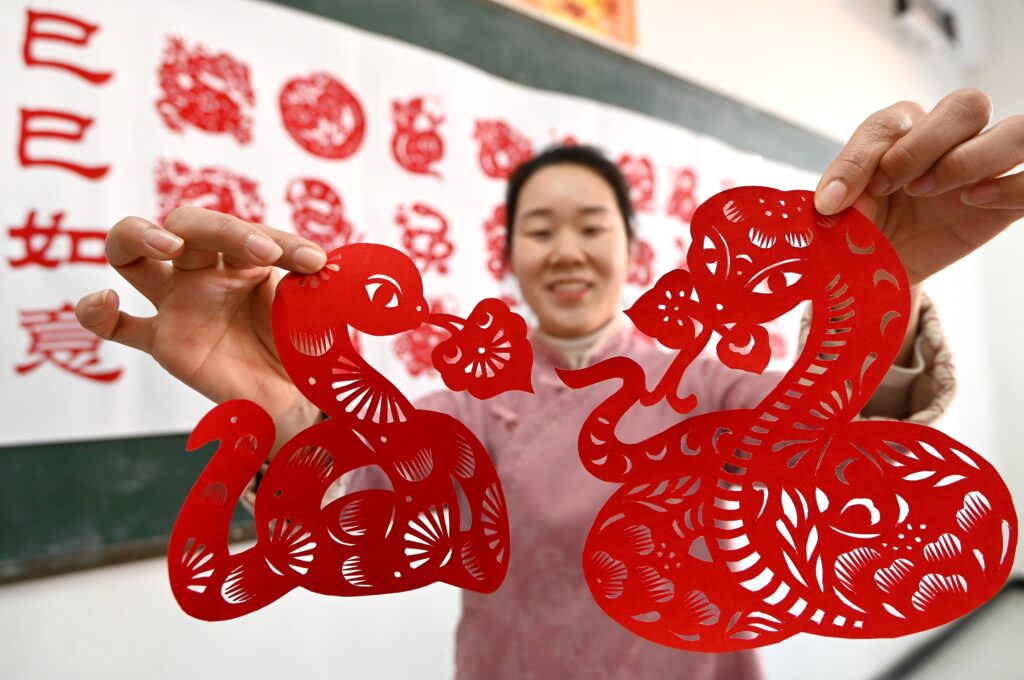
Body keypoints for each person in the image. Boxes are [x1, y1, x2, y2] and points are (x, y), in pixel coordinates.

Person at [76, 88, 1022, 679]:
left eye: (590, 225)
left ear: (629, 246)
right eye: (540, 228)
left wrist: (880, 288)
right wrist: (279, 404)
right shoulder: (459, 410)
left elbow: (826, 456)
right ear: (512, 253)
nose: (566, 250)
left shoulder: (713, 384)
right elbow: (358, 510)